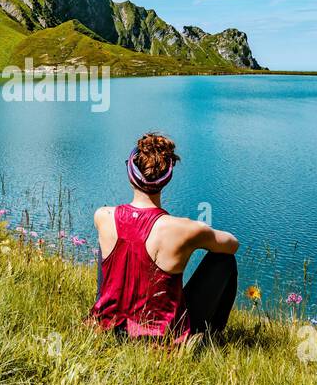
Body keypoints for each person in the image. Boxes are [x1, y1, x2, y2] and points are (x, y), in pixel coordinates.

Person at [89, 132, 239, 341]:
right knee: (225, 260)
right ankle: (211, 335)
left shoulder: (103, 216)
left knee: (108, 244)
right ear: (167, 179)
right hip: (162, 336)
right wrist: (203, 233)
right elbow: (233, 245)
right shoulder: (186, 229)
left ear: (130, 174)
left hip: (111, 328)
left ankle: (104, 315)